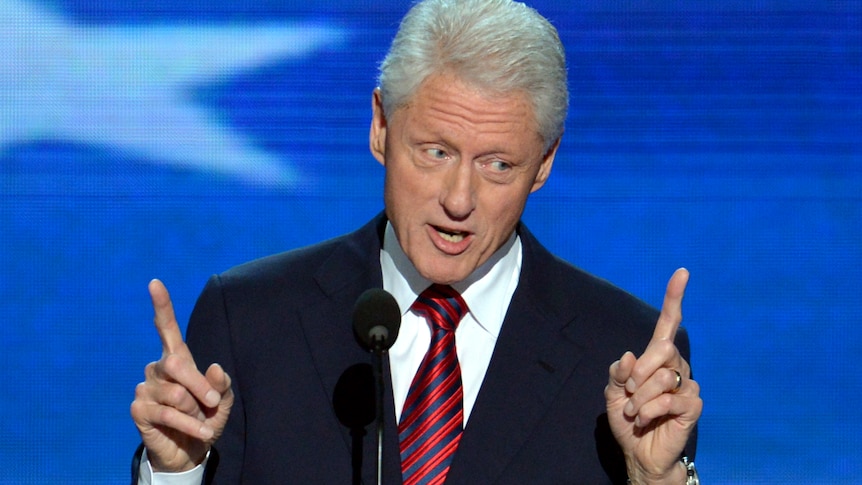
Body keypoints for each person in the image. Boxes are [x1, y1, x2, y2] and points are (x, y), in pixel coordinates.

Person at [130, 0, 703, 483]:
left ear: (545, 163)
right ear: (380, 126)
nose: (459, 199)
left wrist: (656, 480)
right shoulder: (251, 319)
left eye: (498, 164)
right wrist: (177, 473)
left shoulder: (627, 356)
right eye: (436, 151)